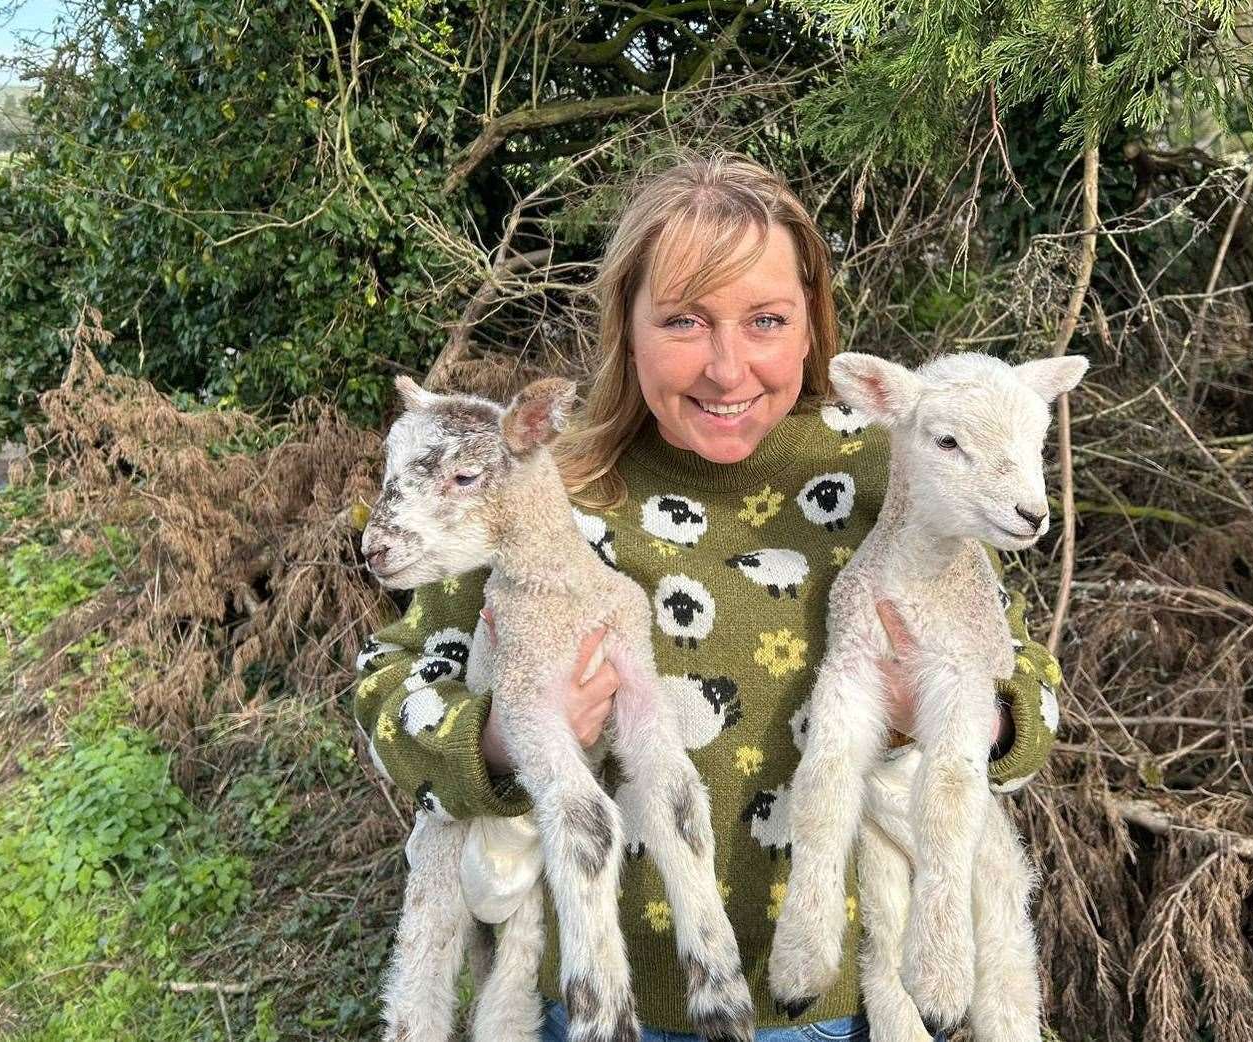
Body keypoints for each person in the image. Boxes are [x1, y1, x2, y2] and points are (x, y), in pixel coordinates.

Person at [353, 150, 1064, 1041]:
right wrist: (497, 742)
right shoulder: (544, 489)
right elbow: (390, 685)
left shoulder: (901, 467)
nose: (727, 369)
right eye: (685, 321)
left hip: (842, 1012)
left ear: (811, 324)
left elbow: (1027, 679)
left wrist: (963, 715)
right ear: (627, 325)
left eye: (764, 320)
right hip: (604, 1009)